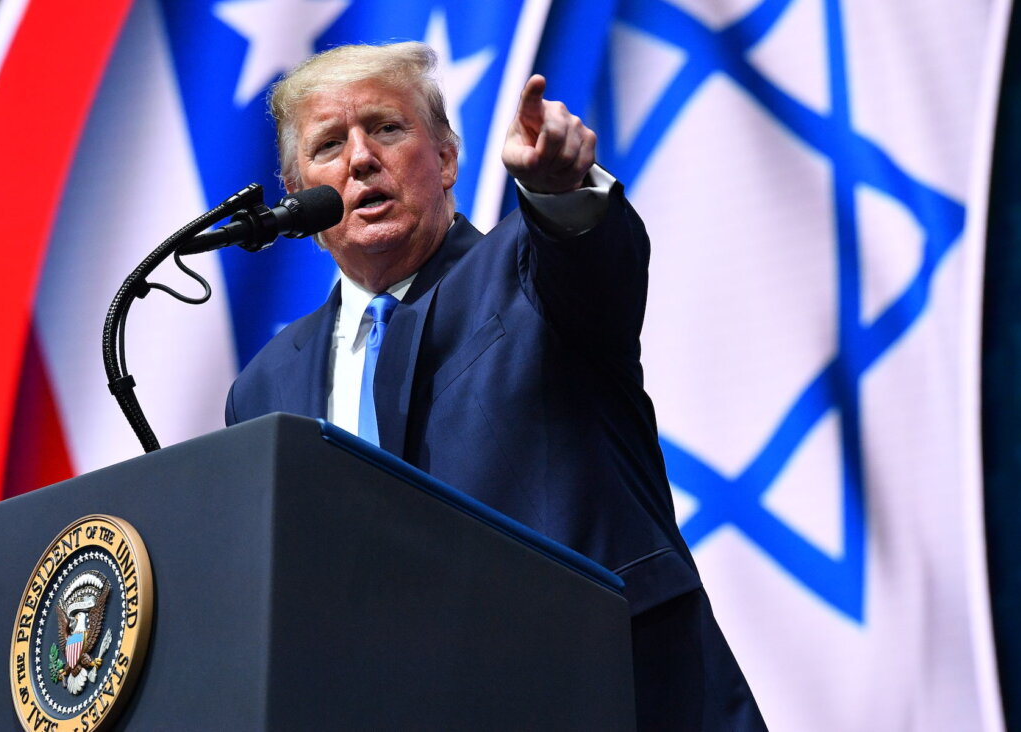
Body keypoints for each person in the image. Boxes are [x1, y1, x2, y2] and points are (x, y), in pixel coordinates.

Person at [225, 42, 764, 729]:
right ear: (302, 196)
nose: (361, 157)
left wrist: (559, 190)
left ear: (446, 159)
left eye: (387, 128)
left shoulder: (531, 272)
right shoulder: (264, 386)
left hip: (613, 695)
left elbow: (591, 255)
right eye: (330, 143)